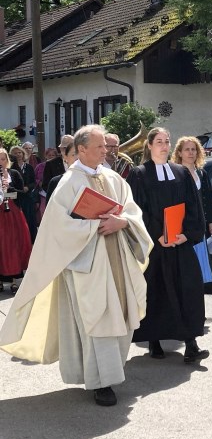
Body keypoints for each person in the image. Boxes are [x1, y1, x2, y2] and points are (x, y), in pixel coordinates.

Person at [0, 125, 152, 406]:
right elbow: (57, 228)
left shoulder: (114, 178)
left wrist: (123, 222)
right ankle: (100, 382)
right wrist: (94, 225)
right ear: (82, 149)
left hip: (117, 258)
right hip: (87, 264)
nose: (106, 151)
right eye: (99, 147)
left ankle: (113, 372)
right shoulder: (69, 183)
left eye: (106, 147)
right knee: (97, 320)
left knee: (119, 316)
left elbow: (132, 211)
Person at [128, 127, 208, 362]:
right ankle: (154, 341)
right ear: (150, 145)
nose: (164, 145)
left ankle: (191, 343)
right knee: (156, 292)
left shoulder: (181, 173)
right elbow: (137, 211)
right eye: (159, 141)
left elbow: (194, 207)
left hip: (180, 243)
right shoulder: (139, 174)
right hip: (156, 246)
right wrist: (156, 235)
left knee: (189, 289)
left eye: (167, 141)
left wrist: (188, 234)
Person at [171, 136, 212, 278]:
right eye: (187, 149)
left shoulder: (201, 173)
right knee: (187, 270)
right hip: (184, 228)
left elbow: (208, 200)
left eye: (193, 149)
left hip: (201, 227)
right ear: (179, 153)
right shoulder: (175, 174)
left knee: (201, 271)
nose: (191, 153)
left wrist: (211, 223)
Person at [0, 148, 33, 293]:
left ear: (7, 160)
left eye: (2, 159)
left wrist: (9, 189)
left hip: (13, 213)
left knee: (14, 244)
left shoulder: (14, 173)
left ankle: (14, 280)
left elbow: (22, 194)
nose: (0, 162)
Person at [9, 145, 37, 240]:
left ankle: (32, 240)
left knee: (30, 220)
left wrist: (28, 187)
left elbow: (33, 182)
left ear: (23, 153)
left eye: (19, 152)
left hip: (28, 197)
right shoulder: (11, 168)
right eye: (15, 153)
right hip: (16, 198)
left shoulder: (29, 167)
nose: (18, 155)